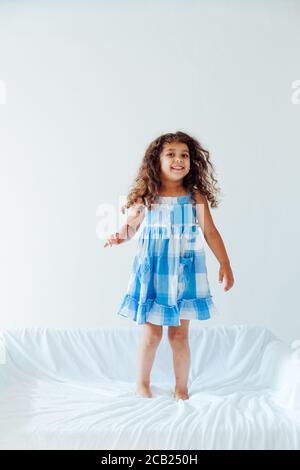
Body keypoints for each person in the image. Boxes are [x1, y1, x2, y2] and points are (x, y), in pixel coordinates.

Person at [104, 131, 234, 401]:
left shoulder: (195, 198)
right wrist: (120, 235)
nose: (178, 160)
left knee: (179, 335)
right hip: (155, 273)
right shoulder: (147, 197)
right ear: (157, 160)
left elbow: (210, 232)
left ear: (192, 161)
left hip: (184, 273)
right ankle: (142, 383)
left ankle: (181, 389)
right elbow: (131, 226)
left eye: (184, 155)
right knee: (152, 334)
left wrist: (225, 262)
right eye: (171, 154)